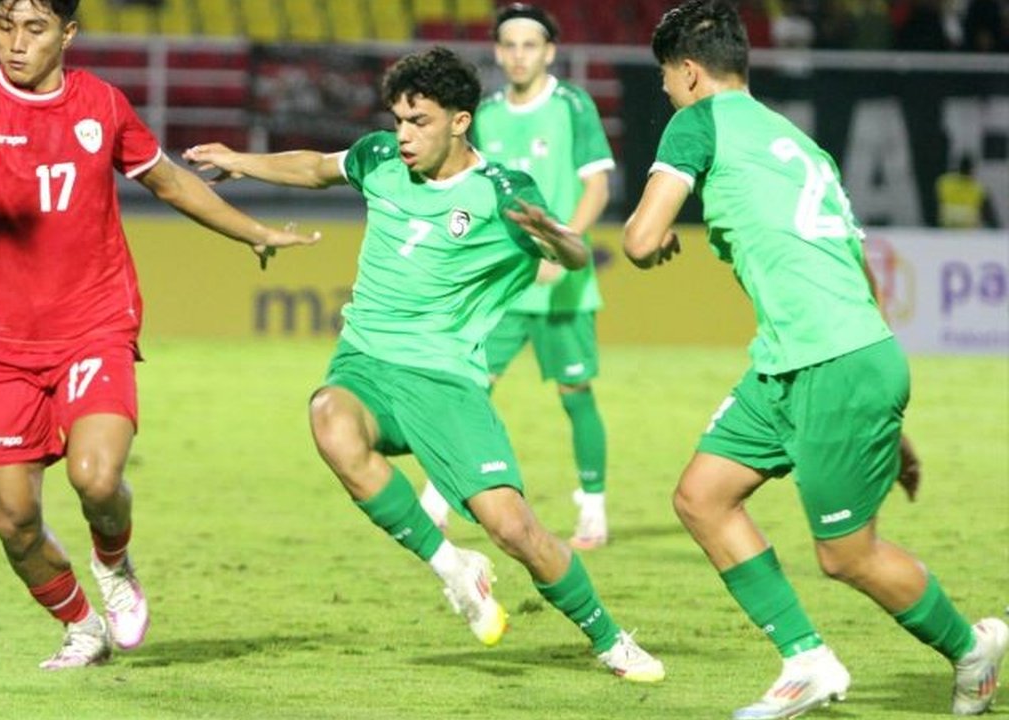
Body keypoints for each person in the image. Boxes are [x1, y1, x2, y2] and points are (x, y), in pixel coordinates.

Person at [184, 46, 665, 683]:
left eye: (420, 122)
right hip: (367, 363)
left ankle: (608, 638)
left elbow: (573, 256)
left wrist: (562, 241)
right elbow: (317, 167)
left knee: (513, 529)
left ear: (461, 121)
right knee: (329, 417)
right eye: (400, 120)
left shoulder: (501, 192)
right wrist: (239, 161)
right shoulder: (380, 157)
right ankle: (450, 567)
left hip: (445, 380)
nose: (404, 136)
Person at [624, 1, 1007, 717]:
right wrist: (887, 418)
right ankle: (807, 660)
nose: (668, 95)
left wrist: (654, 238)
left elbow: (641, 238)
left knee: (846, 556)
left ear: (688, 72)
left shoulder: (698, 121)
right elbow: (858, 272)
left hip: (827, 363)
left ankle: (971, 646)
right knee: (701, 496)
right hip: (808, 359)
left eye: (667, 82)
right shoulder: (802, 146)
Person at [0, 0, 318, 670]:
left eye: (35, 29)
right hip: (2, 347)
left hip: (94, 323)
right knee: (12, 518)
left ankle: (114, 561)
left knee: (96, 478)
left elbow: (170, 182)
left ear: (67, 34)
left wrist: (255, 232)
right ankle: (80, 626)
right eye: (4, 27)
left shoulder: (102, 105)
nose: (16, 43)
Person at [419, 3, 617, 550]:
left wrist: (559, 247)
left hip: (562, 283)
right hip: (501, 285)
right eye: (510, 45)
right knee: (468, 387)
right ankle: (438, 494)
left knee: (576, 392)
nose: (519, 54)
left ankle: (593, 509)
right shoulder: (483, 114)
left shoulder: (573, 106)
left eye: (530, 45)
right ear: (499, 53)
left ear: (549, 52)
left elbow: (597, 187)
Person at [937, 154, 999, 229]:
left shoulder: (944, 183)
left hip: (946, 227)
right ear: (972, 170)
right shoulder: (977, 188)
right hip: (968, 230)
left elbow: (934, 204)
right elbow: (989, 214)